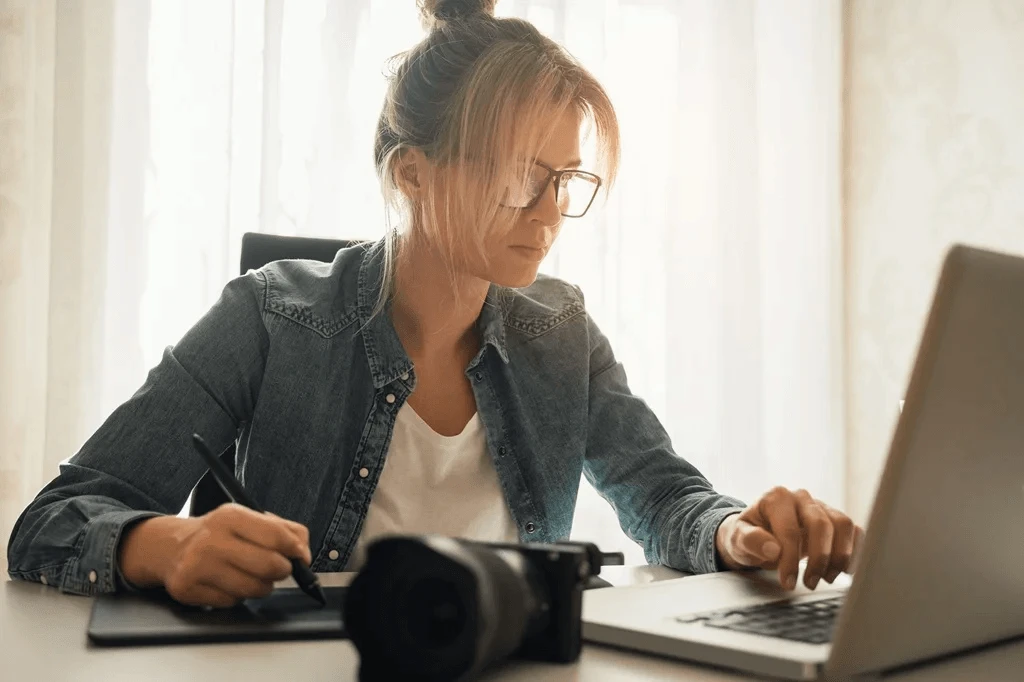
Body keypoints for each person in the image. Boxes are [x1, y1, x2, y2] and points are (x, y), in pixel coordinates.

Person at [7, 0, 862, 608]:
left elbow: (662, 497)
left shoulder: (560, 332)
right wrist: (166, 545)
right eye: (525, 175)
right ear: (413, 170)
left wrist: (736, 533)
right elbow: (49, 523)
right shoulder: (272, 317)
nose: (551, 211)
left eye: (565, 179)